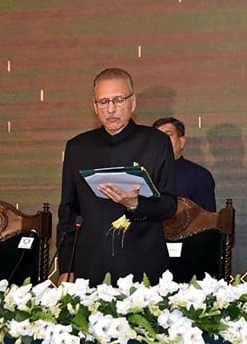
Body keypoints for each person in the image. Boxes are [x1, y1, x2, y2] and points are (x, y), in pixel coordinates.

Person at [57, 67, 177, 285]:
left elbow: (169, 205)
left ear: (133, 103)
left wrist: (135, 204)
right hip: (89, 264)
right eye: (103, 102)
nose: (111, 108)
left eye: (118, 100)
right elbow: (68, 212)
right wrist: (67, 265)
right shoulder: (77, 147)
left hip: (142, 264)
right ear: (94, 107)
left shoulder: (156, 142)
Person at [152, 117, 216, 212]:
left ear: (182, 142)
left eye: (167, 135)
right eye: (157, 137)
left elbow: (208, 220)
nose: (161, 141)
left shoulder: (199, 175)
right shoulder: (145, 172)